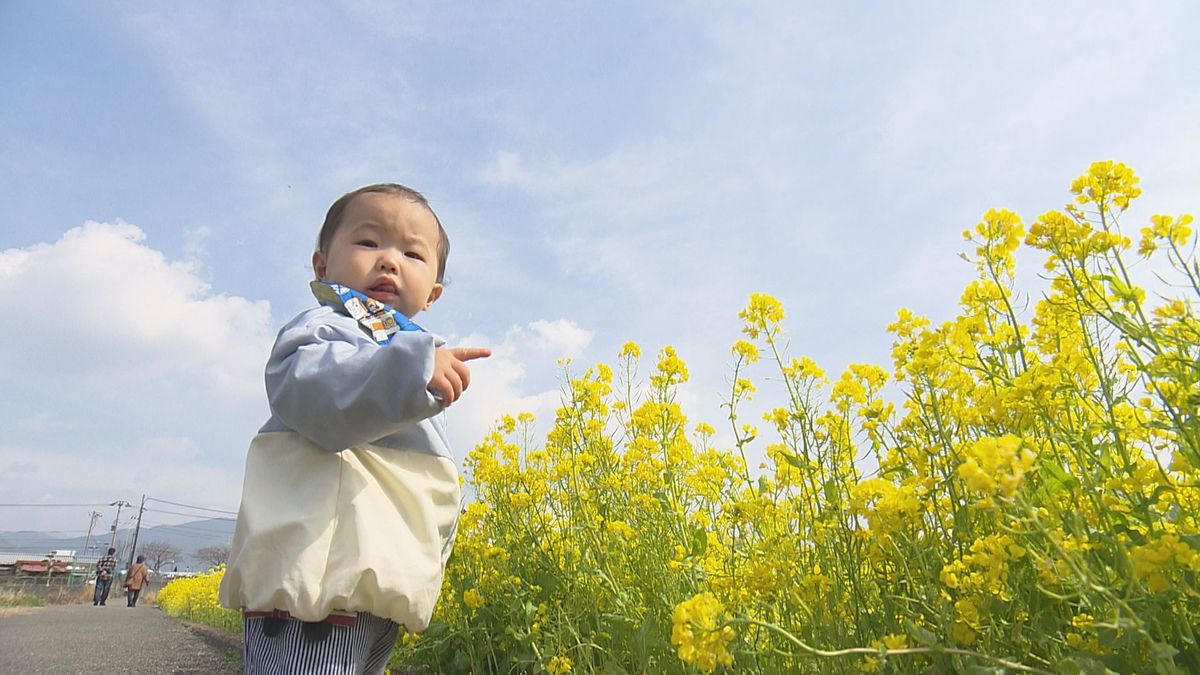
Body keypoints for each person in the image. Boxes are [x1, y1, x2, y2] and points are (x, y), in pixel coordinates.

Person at [218, 184, 490, 674]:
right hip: (314, 591)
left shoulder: (404, 351)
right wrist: (413, 370)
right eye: (368, 243)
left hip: (370, 589)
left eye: (411, 252)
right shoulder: (327, 327)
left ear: (433, 294)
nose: (389, 261)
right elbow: (316, 393)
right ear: (322, 266)